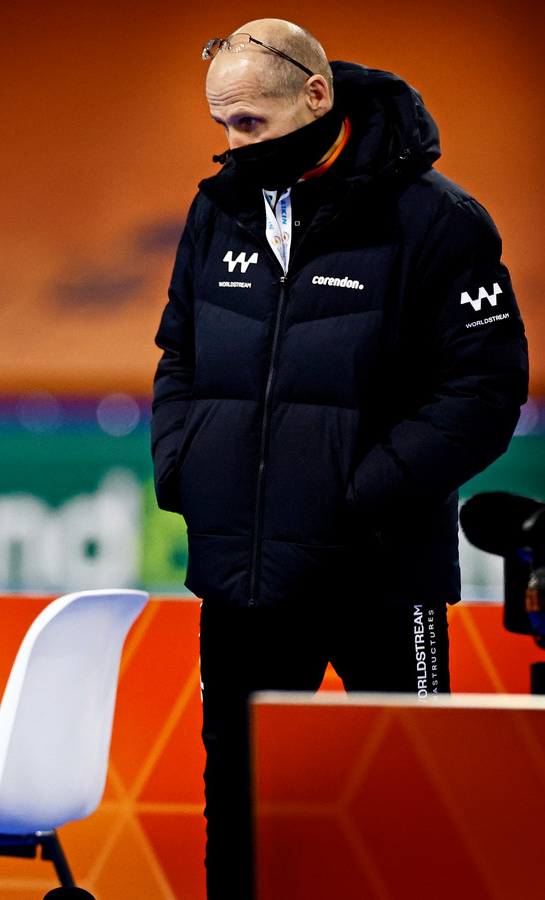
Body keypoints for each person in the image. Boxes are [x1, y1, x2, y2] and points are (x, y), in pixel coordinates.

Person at [149, 19, 528, 900]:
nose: (231, 146)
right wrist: (186, 467)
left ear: (316, 97)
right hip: (243, 578)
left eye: (250, 124)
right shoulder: (219, 210)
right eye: (221, 125)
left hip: (383, 577)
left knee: (409, 814)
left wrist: (359, 496)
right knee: (238, 819)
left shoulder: (440, 219)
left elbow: (484, 392)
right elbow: (179, 356)